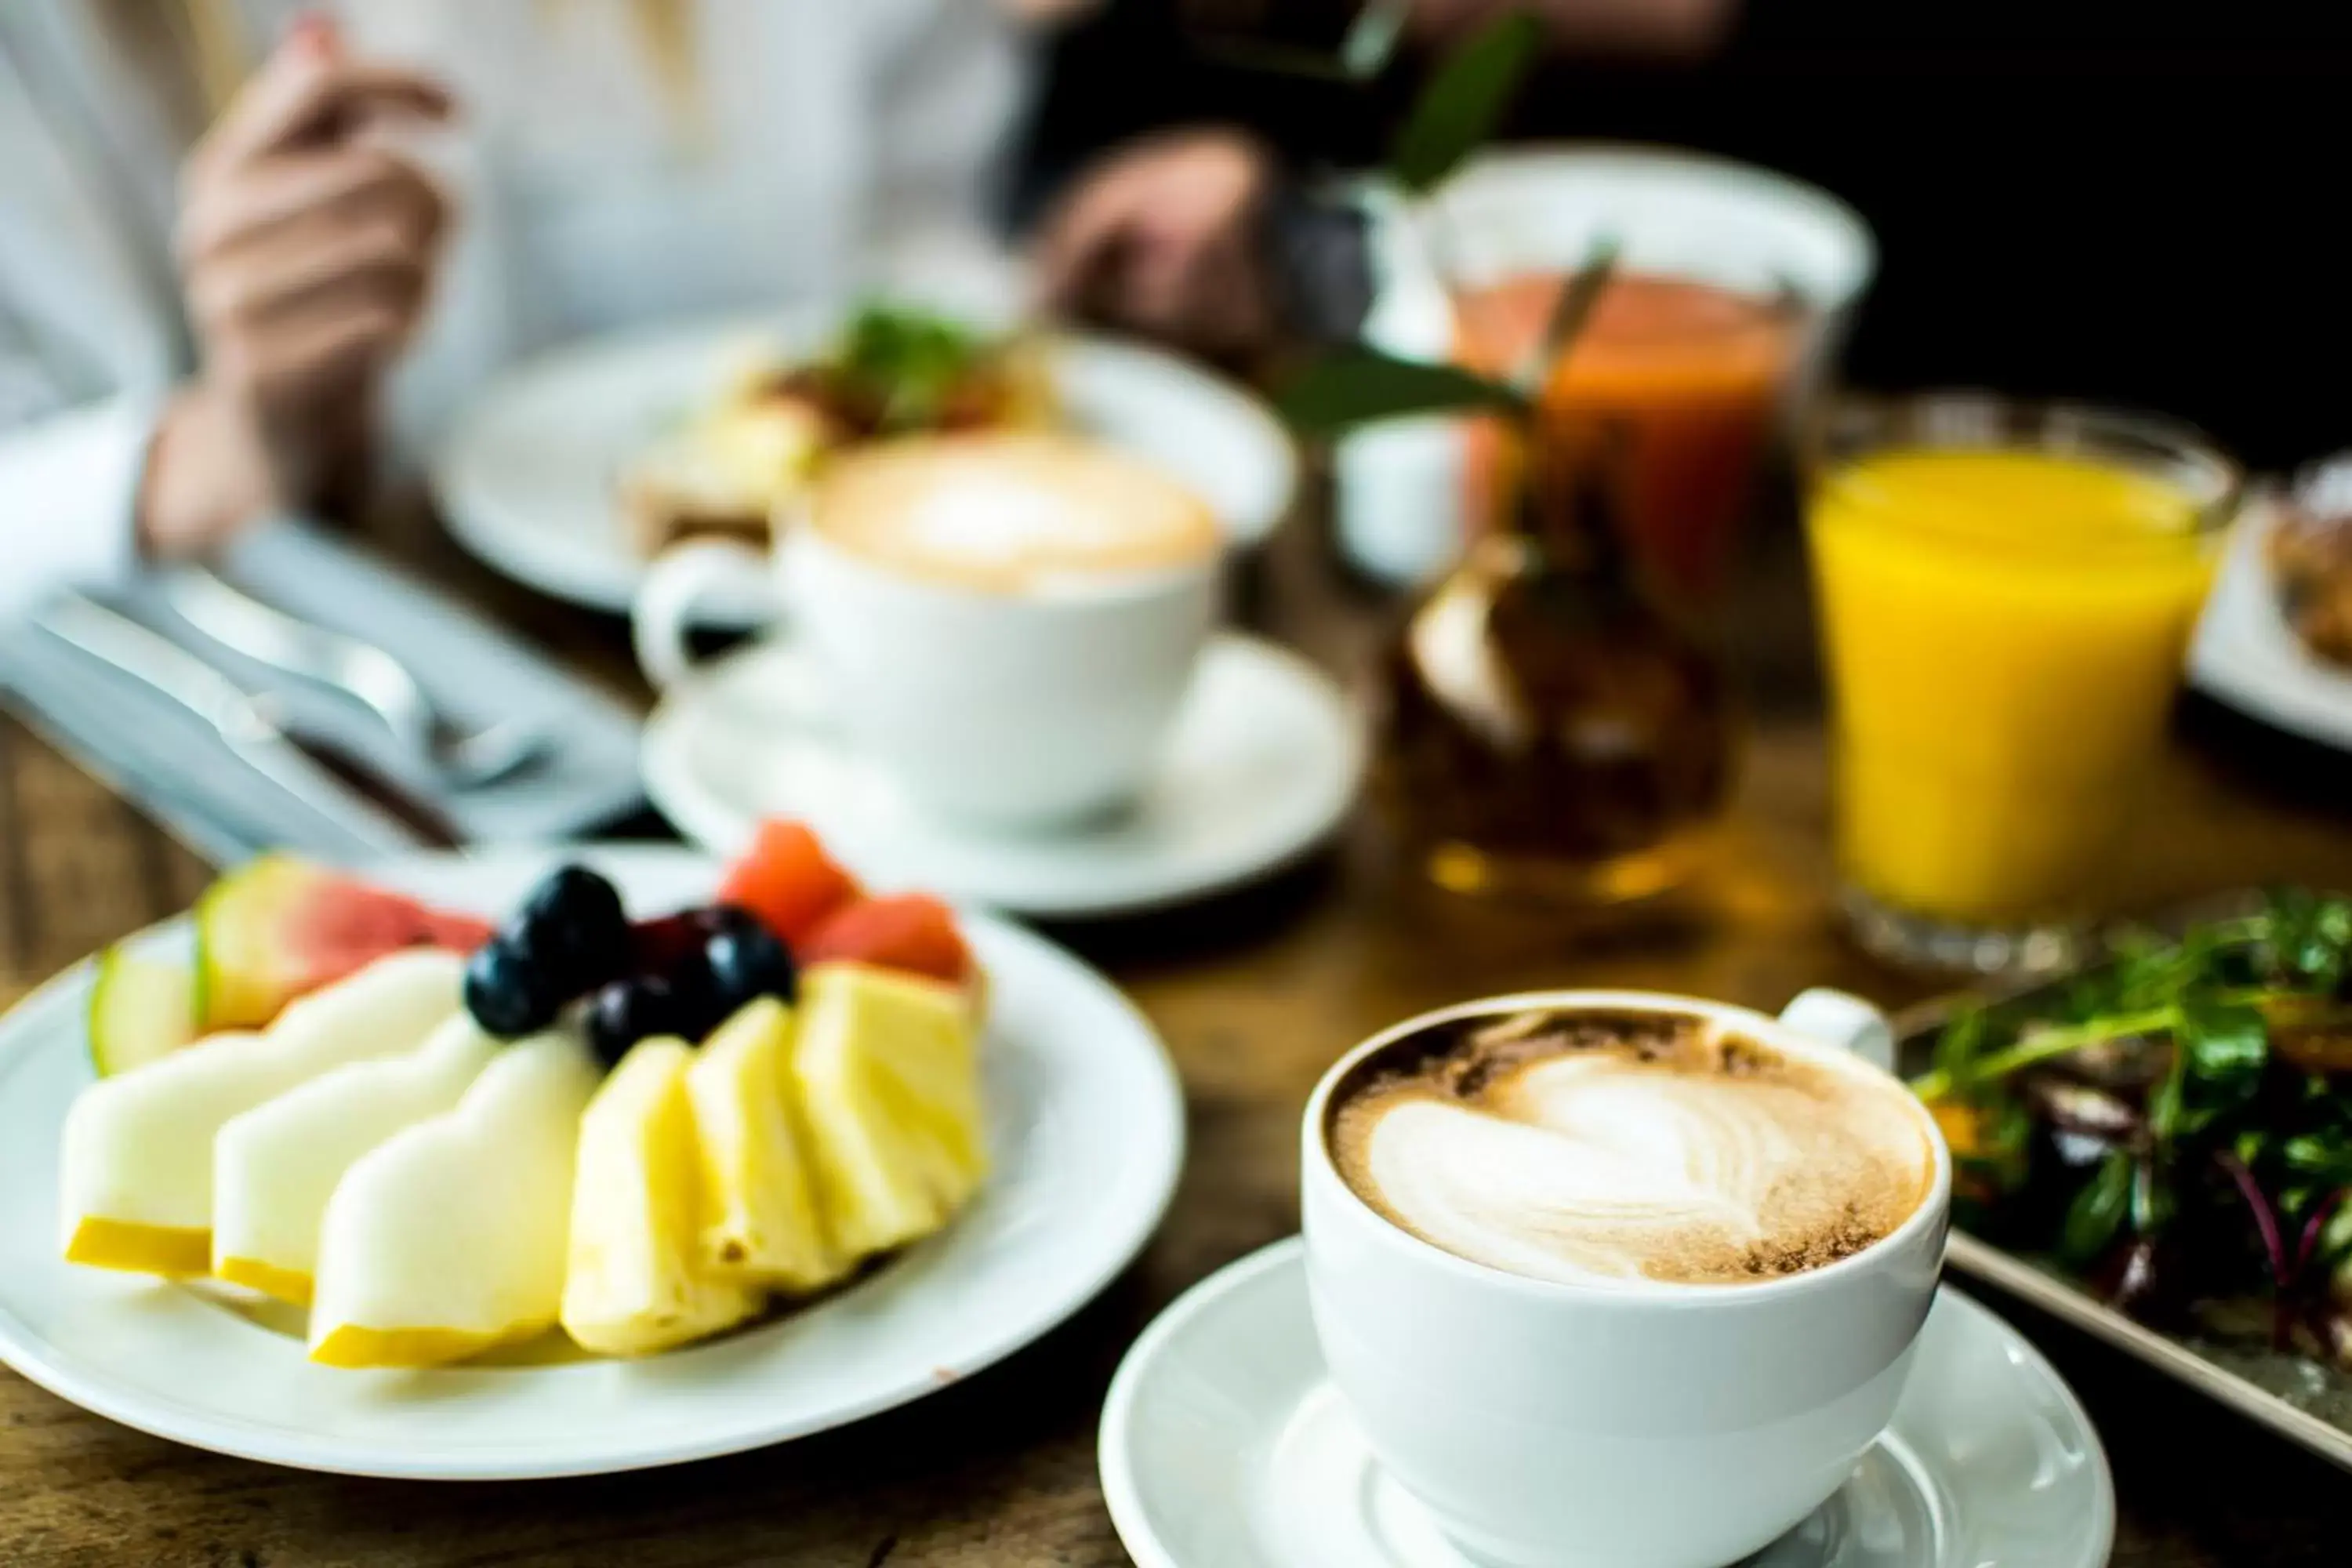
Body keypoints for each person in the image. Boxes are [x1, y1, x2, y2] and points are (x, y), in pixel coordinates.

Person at [0, 0, 1286, 615]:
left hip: (776, 677)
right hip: (151, 745)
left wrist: (1059, 292)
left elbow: (869, 249)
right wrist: (217, 450)